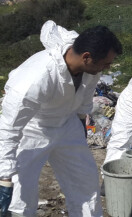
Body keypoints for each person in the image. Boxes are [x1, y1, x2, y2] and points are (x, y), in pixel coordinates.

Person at [0, 20, 122, 216]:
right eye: (105, 64)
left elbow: (85, 96)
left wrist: (81, 125)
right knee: (21, 192)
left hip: (67, 124)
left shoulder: (89, 66)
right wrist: (4, 176)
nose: (106, 69)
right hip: (33, 129)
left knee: (85, 181)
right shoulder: (35, 80)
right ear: (86, 57)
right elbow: (8, 129)